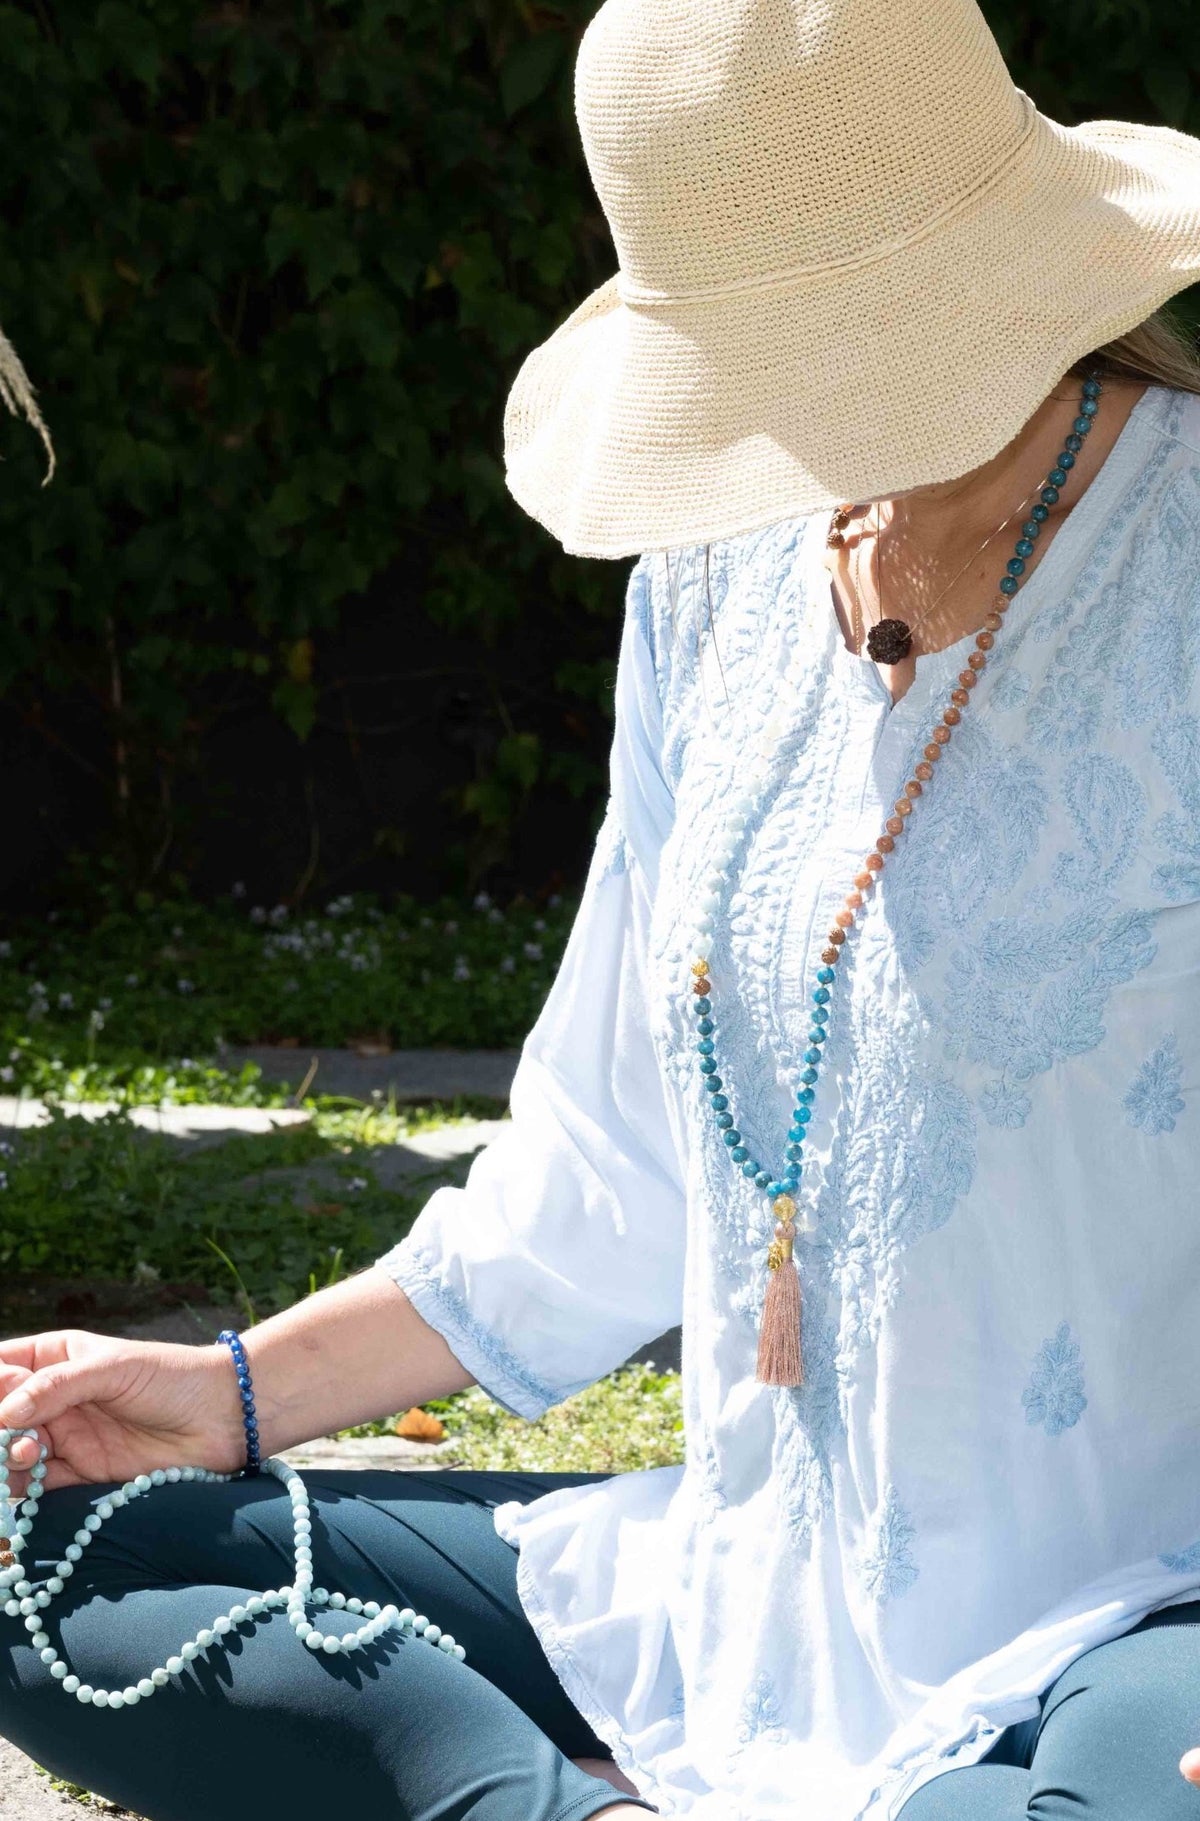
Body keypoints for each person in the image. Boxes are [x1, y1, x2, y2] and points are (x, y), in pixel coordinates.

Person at [4, 0, 1200, 1816]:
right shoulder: (722, 576)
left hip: (1135, 1616)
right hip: (742, 1593)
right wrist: (231, 1394)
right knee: (50, 1564)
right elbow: (603, 1170)